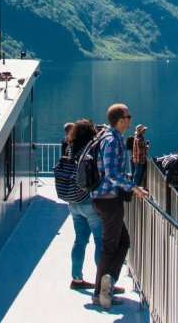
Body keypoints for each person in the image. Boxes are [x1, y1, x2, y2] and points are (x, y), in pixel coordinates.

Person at [92, 103, 149, 310]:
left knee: (123, 241)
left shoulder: (110, 137)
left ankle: (108, 282)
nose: (130, 119)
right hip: (108, 200)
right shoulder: (112, 140)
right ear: (120, 119)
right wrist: (134, 188)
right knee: (110, 246)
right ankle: (100, 293)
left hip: (106, 198)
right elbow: (111, 173)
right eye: (128, 116)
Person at [62, 119, 102, 290]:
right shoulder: (92, 148)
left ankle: (76, 279)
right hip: (88, 200)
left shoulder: (70, 147)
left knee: (80, 240)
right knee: (100, 241)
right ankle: (102, 283)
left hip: (73, 201)